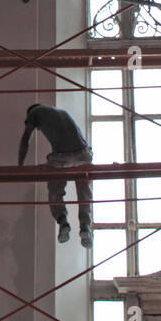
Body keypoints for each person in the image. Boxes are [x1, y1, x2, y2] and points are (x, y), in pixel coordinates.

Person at [18, 104, 93, 247]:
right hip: (84, 154)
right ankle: (86, 227)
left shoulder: (34, 112)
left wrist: (20, 166)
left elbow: (25, 140)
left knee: (55, 190)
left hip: (62, 157)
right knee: (85, 192)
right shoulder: (62, 112)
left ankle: (62, 220)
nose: (38, 130)